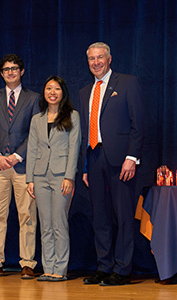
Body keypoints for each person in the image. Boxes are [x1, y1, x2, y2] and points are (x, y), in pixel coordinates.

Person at [80, 42, 144, 286]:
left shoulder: (128, 83)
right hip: (94, 159)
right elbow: (86, 131)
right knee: (100, 216)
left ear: (109, 59)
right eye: (91, 59)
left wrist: (132, 158)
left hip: (121, 160)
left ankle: (123, 268)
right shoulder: (85, 91)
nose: (96, 62)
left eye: (100, 58)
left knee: (124, 215)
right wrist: (85, 166)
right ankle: (104, 267)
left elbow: (138, 124)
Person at [0, 54, 39, 279]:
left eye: (14, 68)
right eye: (6, 69)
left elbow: (35, 132)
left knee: (28, 216)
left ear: (22, 71)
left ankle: (28, 263)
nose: (11, 72)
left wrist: (16, 156)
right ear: (1, 73)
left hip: (23, 166)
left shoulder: (33, 98)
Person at [26, 76, 81, 282]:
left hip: (61, 177)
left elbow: (74, 147)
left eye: (56, 89)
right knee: (45, 225)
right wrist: (30, 179)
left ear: (62, 93)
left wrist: (69, 176)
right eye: (48, 88)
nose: (52, 92)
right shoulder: (36, 119)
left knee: (59, 223)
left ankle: (60, 269)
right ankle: (48, 267)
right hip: (40, 176)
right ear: (44, 93)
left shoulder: (72, 116)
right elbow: (32, 149)